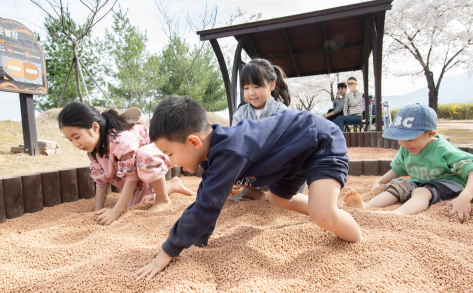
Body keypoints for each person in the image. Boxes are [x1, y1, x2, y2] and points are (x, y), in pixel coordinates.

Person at [135, 96, 363, 281]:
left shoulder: (229, 150)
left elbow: (206, 206)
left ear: (194, 142)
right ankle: (325, 209)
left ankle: (357, 238)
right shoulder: (213, 151)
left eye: (171, 154)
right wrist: (200, 238)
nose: (170, 162)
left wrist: (167, 252)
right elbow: (206, 194)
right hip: (292, 158)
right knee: (278, 200)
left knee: (322, 214)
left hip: (319, 142)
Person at [58, 102, 194, 225]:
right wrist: (98, 210)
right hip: (140, 162)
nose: (75, 144)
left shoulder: (121, 140)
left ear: (95, 127)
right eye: (70, 140)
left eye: (77, 137)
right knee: (137, 203)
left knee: (144, 156)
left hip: (161, 150)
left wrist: (116, 211)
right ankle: (173, 186)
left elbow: (131, 176)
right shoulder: (93, 148)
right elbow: (101, 180)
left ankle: (163, 199)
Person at [343, 103, 473, 221]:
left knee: (422, 191)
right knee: (398, 185)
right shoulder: (406, 148)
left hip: (450, 184)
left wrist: (465, 198)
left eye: (409, 138)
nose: (404, 143)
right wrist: (380, 181)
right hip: (420, 182)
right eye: (400, 137)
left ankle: (398, 214)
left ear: (430, 134)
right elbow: (397, 169)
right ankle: (366, 206)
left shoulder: (442, 149)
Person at [230, 59, 290, 201]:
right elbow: (234, 145)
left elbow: (284, 145)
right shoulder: (240, 114)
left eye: (256, 86)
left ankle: (280, 195)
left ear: (271, 85)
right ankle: (252, 193)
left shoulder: (280, 111)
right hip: (251, 170)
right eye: (246, 88)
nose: (251, 93)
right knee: (224, 182)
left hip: (276, 169)